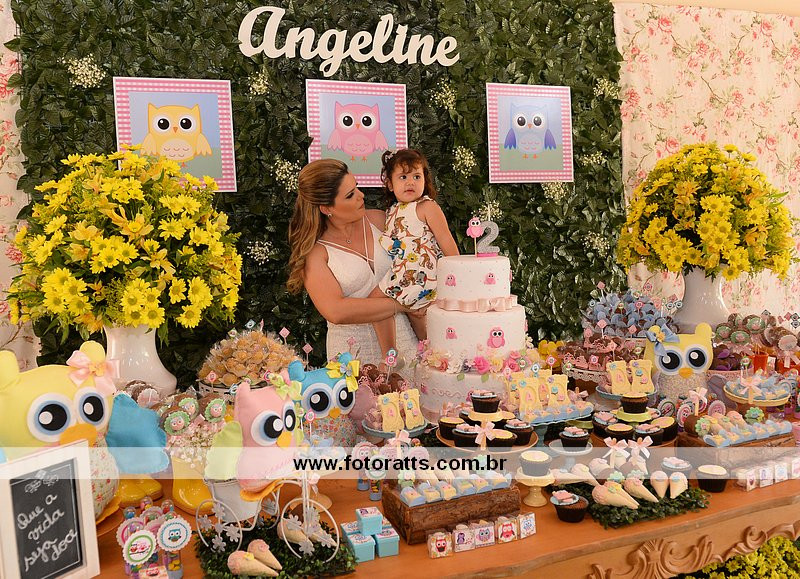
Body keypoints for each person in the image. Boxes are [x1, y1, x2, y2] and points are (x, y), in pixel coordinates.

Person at [287, 159, 421, 369]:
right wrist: (403, 304)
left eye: (357, 186)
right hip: (352, 359)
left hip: (407, 349)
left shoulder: (381, 221)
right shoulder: (316, 253)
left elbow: (418, 263)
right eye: (350, 195)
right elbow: (336, 311)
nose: (361, 195)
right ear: (326, 208)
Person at [367, 149, 459, 359]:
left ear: (425, 181)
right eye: (403, 177)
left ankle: (437, 360)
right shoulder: (391, 212)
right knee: (377, 305)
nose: (410, 182)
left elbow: (446, 240)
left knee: (428, 332)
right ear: (390, 184)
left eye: (417, 177)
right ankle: (391, 353)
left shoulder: (426, 207)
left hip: (425, 277)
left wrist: (455, 276)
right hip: (401, 277)